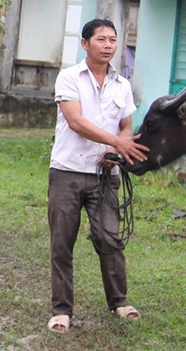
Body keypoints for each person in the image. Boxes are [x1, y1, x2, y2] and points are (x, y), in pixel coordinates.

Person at [47, 18, 149, 333]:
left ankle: (119, 301)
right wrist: (116, 141)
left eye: (112, 40)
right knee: (62, 242)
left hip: (105, 174)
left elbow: (126, 127)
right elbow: (75, 121)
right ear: (85, 44)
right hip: (67, 171)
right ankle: (61, 310)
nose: (108, 45)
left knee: (110, 238)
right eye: (101, 39)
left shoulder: (123, 85)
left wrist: (114, 152)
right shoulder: (69, 78)